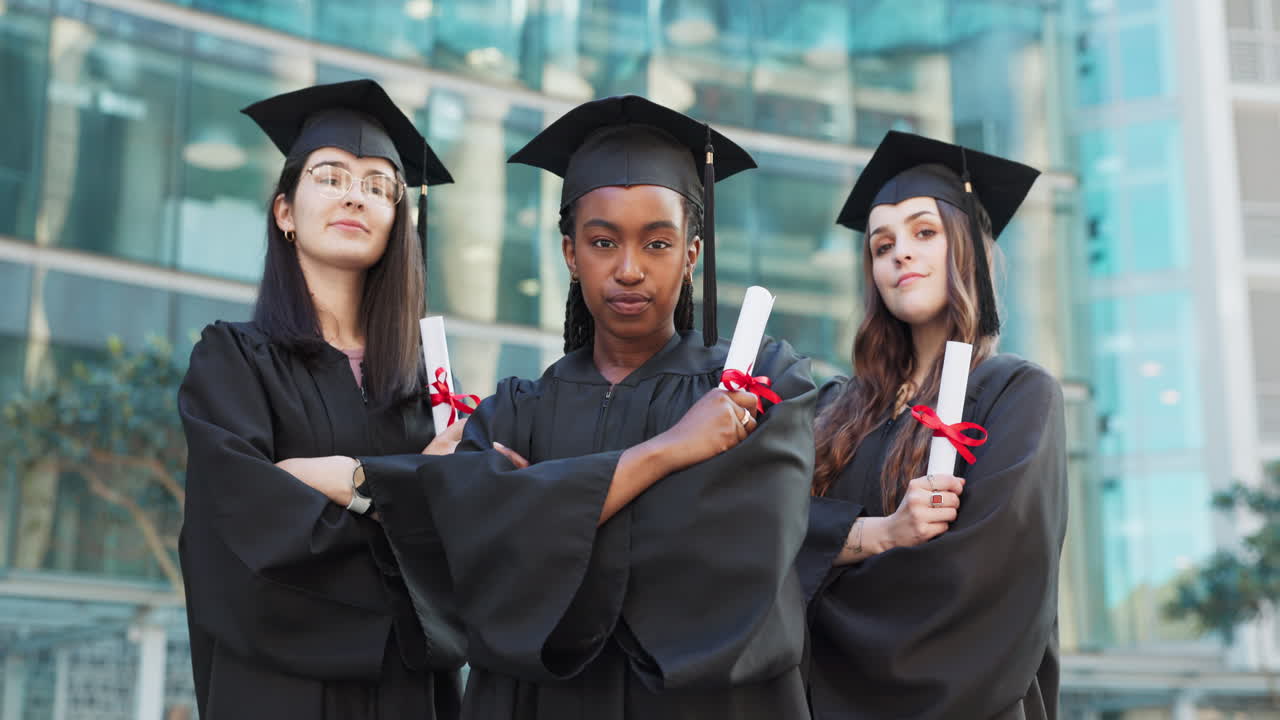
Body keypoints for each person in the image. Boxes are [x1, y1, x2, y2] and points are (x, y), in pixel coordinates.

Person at [363, 95, 817, 719]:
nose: (629, 270)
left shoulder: (756, 385)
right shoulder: (516, 409)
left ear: (691, 255)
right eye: (604, 242)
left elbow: (742, 552)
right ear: (571, 255)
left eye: (657, 244)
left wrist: (541, 510)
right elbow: (473, 553)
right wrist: (667, 455)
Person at [177, 79, 464, 720]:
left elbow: (458, 541)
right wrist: (395, 495)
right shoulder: (232, 360)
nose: (354, 196)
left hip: (409, 693)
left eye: (378, 186)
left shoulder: (425, 385)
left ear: (397, 221)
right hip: (279, 690)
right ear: (285, 211)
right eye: (330, 176)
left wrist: (333, 481)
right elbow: (240, 523)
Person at [799, 130, 1068, 719]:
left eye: (925, 232)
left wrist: (823, 567)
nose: (900, 253)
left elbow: (984, 580)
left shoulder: (1016, 396)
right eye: (881, 245)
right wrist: (882, 533)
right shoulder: (834, 411)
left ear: (967, 247)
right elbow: (770, 540)